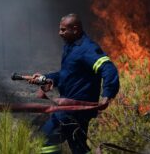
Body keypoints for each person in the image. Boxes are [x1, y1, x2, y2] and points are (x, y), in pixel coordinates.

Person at [28, 13, 120, 154]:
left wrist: (107, 95)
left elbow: (109, 69)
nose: (60, 33)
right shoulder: (71, 48)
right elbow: (67, 75)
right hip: (71, 108)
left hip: (75, 110)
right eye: (60, 29)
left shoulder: (87, 49)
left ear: (75, 29)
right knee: (79, 148)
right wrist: (46, 78)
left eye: (63, 30)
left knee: (44, 139)